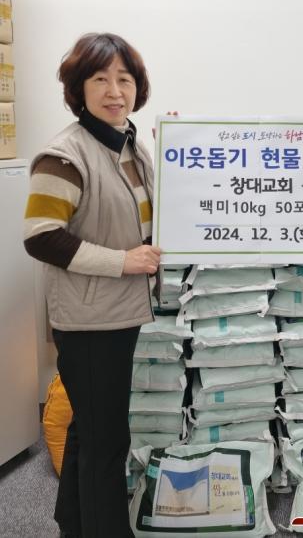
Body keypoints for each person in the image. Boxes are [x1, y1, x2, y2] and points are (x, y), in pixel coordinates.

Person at [24, 33, 161, 538]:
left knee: (88, 428)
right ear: (78, 88)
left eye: (124, 79)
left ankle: (74, 524)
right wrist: (123, 263)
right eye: (100, 79)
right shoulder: (65, 154)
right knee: (108, 442)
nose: (114, 90)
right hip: (88, 320)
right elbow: (41, 237)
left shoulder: (130, 146)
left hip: (118, 311)